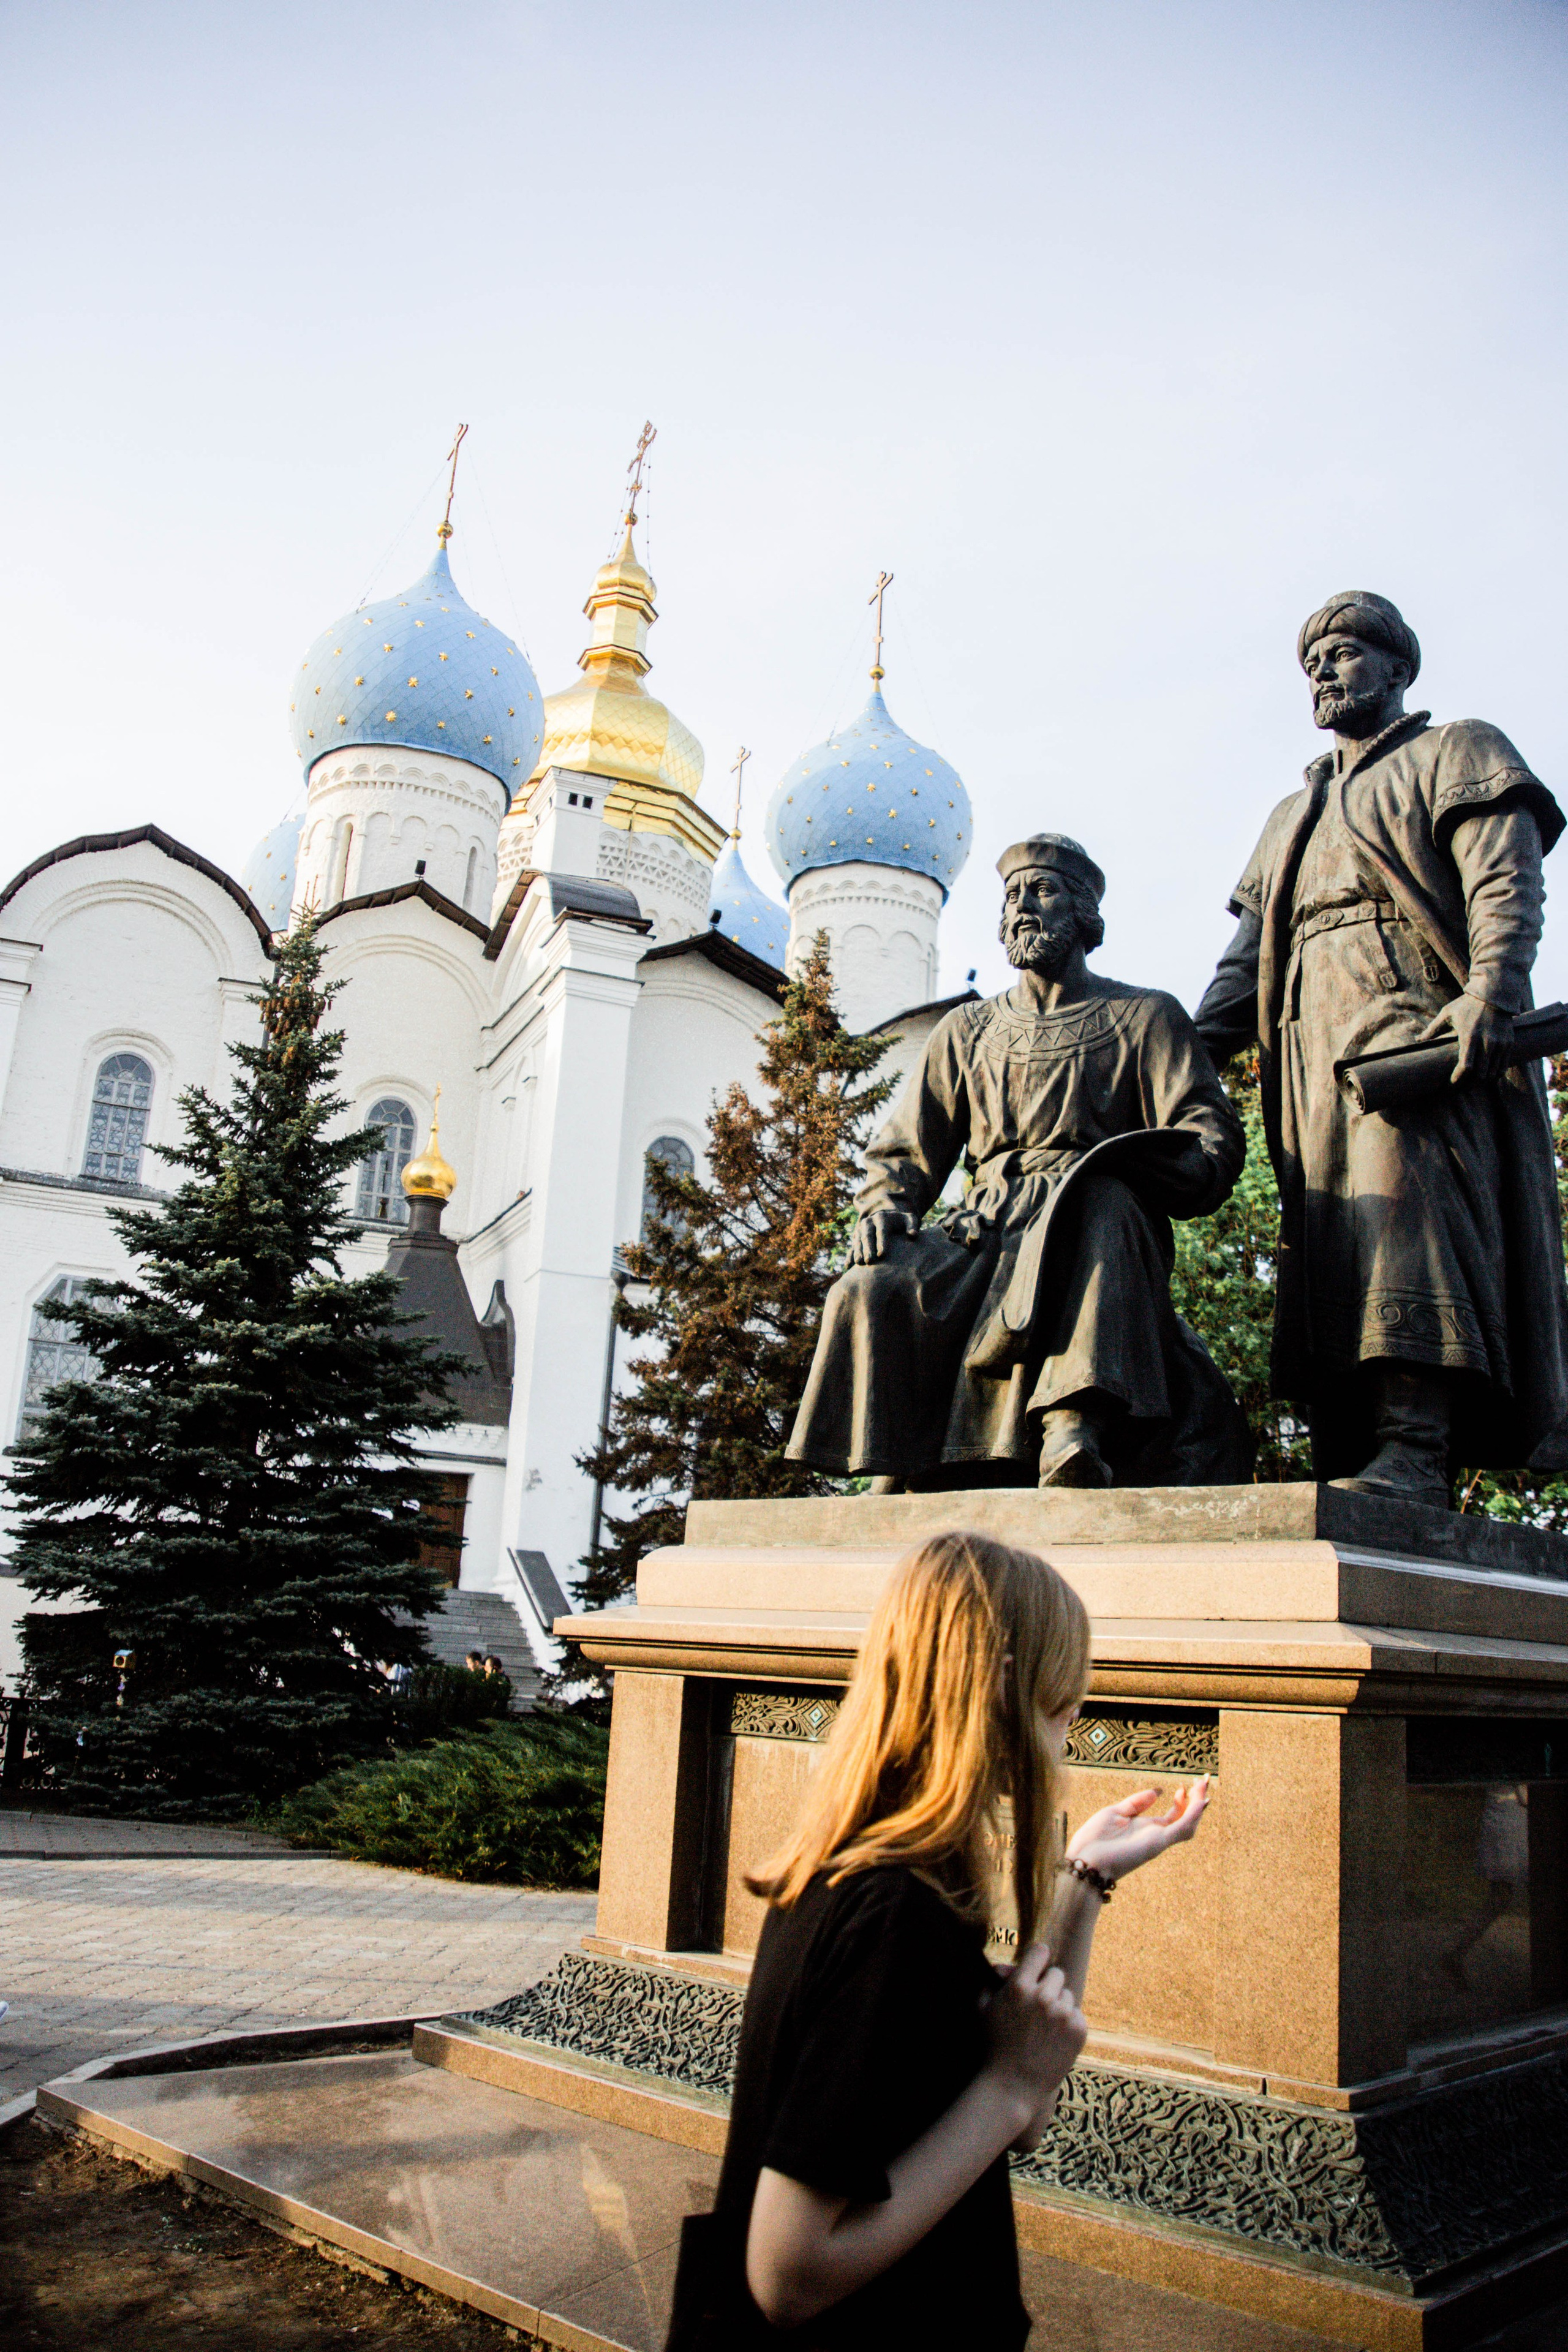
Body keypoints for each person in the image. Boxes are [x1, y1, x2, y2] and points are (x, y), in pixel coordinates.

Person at [665, 1531, 1208, 2350]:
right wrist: (1007, 2087)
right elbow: (788, 2273)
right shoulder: (894, 1917)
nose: (1072, 1718)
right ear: (994, 1689)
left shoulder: (858, 1871)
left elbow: (1013, 2112)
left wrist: (1084, 1886)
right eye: (1062, 1694)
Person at [1195, 592, 1568, 1502]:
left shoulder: (1458, 750)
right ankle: (1357, 1445)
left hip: (1415, 1032)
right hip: (1310, 1057)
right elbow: (1244, 966)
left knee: (1407, 1217)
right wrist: (1178, 1052)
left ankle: (1418, 1444)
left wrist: (1489, 990)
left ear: (1399, 669)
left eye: (1347, 651)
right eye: (1313, 659)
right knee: (1333, 1235)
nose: (1325, 669)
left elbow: (1505, 881)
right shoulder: (1293, 812)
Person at [786, 836, 1248, 1491]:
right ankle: (891, 1461)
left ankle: (1073, 1427)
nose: (1023, 908)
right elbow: (904, 1153)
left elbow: (1208, 1135)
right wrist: (884, 1208)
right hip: (986, 1230)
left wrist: (1164, 1169)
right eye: (1011, 896)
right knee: (874, 1284)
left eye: (1043, 890)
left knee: (1103, 1201)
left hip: (1094, 1225)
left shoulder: (1144, 1016)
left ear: (1085, 914)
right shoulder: (966, 1031)